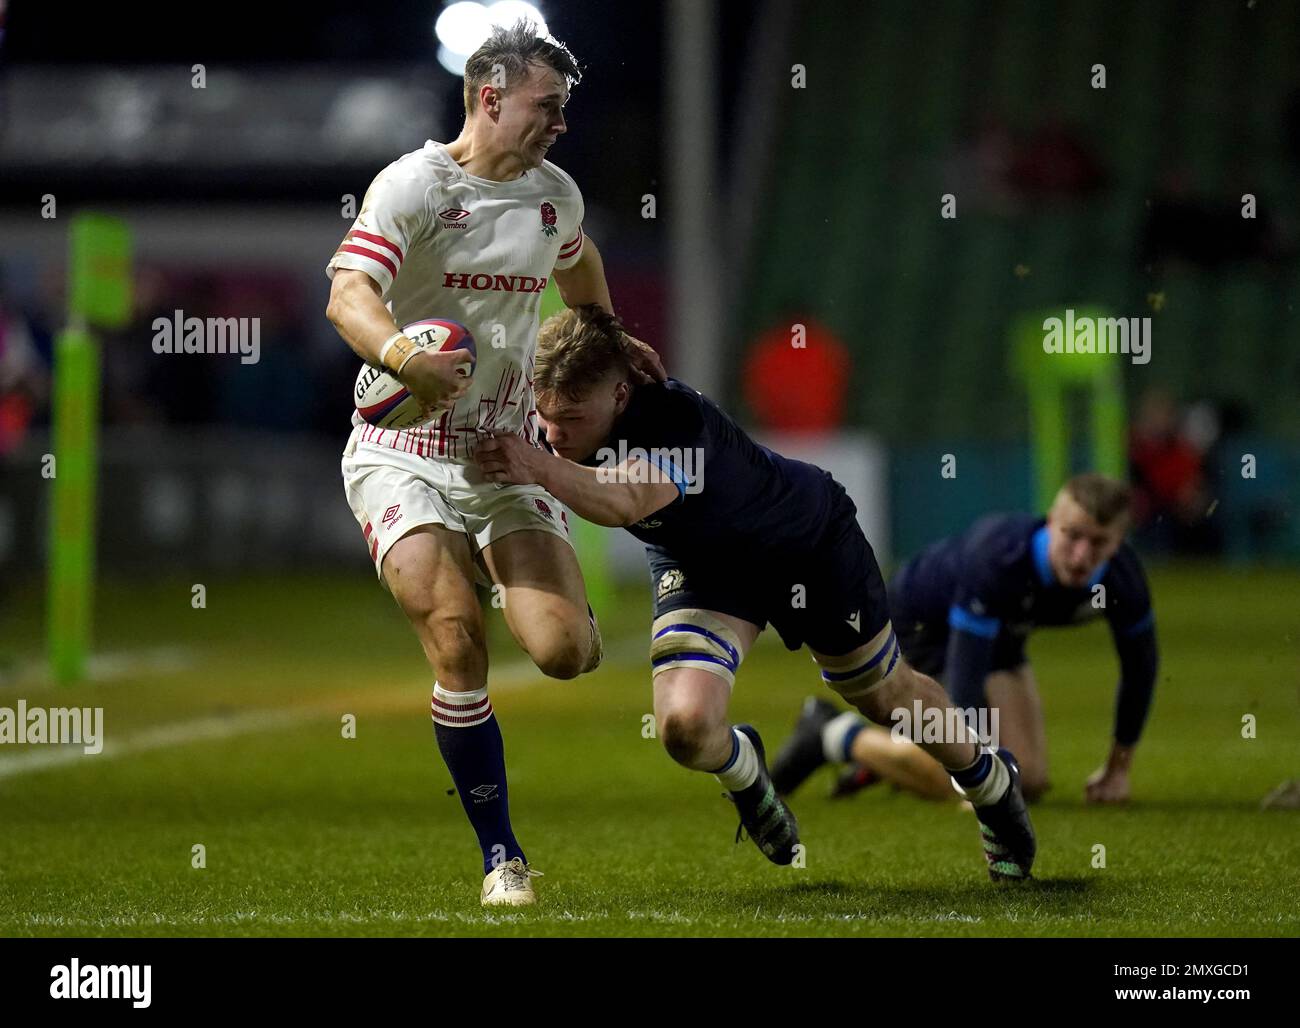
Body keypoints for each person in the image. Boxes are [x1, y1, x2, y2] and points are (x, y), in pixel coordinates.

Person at [475, 305, 1037, 882]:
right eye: (545, 417)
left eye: (570, 417)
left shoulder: (672, 419)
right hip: (706, 568)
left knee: (882, 694)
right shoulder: (566, 419)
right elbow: (578, 257)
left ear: (620, 395)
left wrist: (535, 466)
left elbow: (622, 502)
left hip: (807, 543)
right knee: (684, 727)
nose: (552, 432)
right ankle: (747, 776)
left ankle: (990, 783)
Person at [324, 22, 663, 907]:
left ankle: (507, 565)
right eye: (547, 106)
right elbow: (347, 293)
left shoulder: (556, 197)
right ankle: (501, 857)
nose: (560, 122)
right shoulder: (415, 184)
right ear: (490, 96)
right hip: (403, 450)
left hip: (507, 452)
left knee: (561, 652)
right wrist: (404, 358)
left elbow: (580, 264)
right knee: (456, 636)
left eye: (563, 109)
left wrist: (612, 346)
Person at [771, 474, 1159, 808]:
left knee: (1029, 779)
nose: (1081, 556)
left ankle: (890, 758)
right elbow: (965, 676)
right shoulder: (999, 559)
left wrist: (1117, 770)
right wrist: (977, 784)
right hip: (919, 624)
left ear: (1119, 541)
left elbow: (1141, 669)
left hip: (1002, 636)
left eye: (1098, 543)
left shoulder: (1122, 579)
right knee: (967, 776)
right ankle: (830, 734)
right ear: (1051, 521)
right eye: (1072, 536)